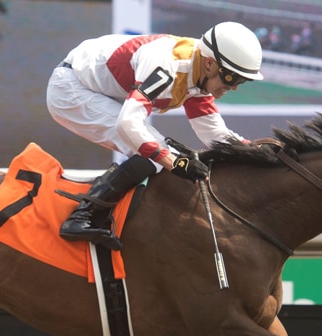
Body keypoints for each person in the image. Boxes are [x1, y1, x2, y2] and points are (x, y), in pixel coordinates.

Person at [46, 21, 263, 249]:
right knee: (158, 153)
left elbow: (213, 133)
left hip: (95, 88)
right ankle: (82, 216)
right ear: (210, 64)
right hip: (71, 89)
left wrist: (256, 150)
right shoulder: (167, 67)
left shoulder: (198, 71)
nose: (235, 87)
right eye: (232, 78)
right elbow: (128, 123)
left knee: (166, 153)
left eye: (242, 80)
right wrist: (174, 162)